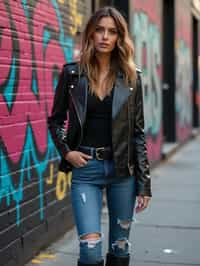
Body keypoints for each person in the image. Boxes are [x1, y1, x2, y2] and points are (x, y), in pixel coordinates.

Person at [48, 6, 152, 266]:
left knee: (119, 248)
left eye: (112, 32)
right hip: (86, 169)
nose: (105, 36)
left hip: (122, 172)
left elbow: (137, 133)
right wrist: (67, 152)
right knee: (90, 251)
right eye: (99, 30)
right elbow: (56, 120)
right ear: (91, 35)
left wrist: (144, 183)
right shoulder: (73, 74)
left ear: (119, 37)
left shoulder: (131, 78)